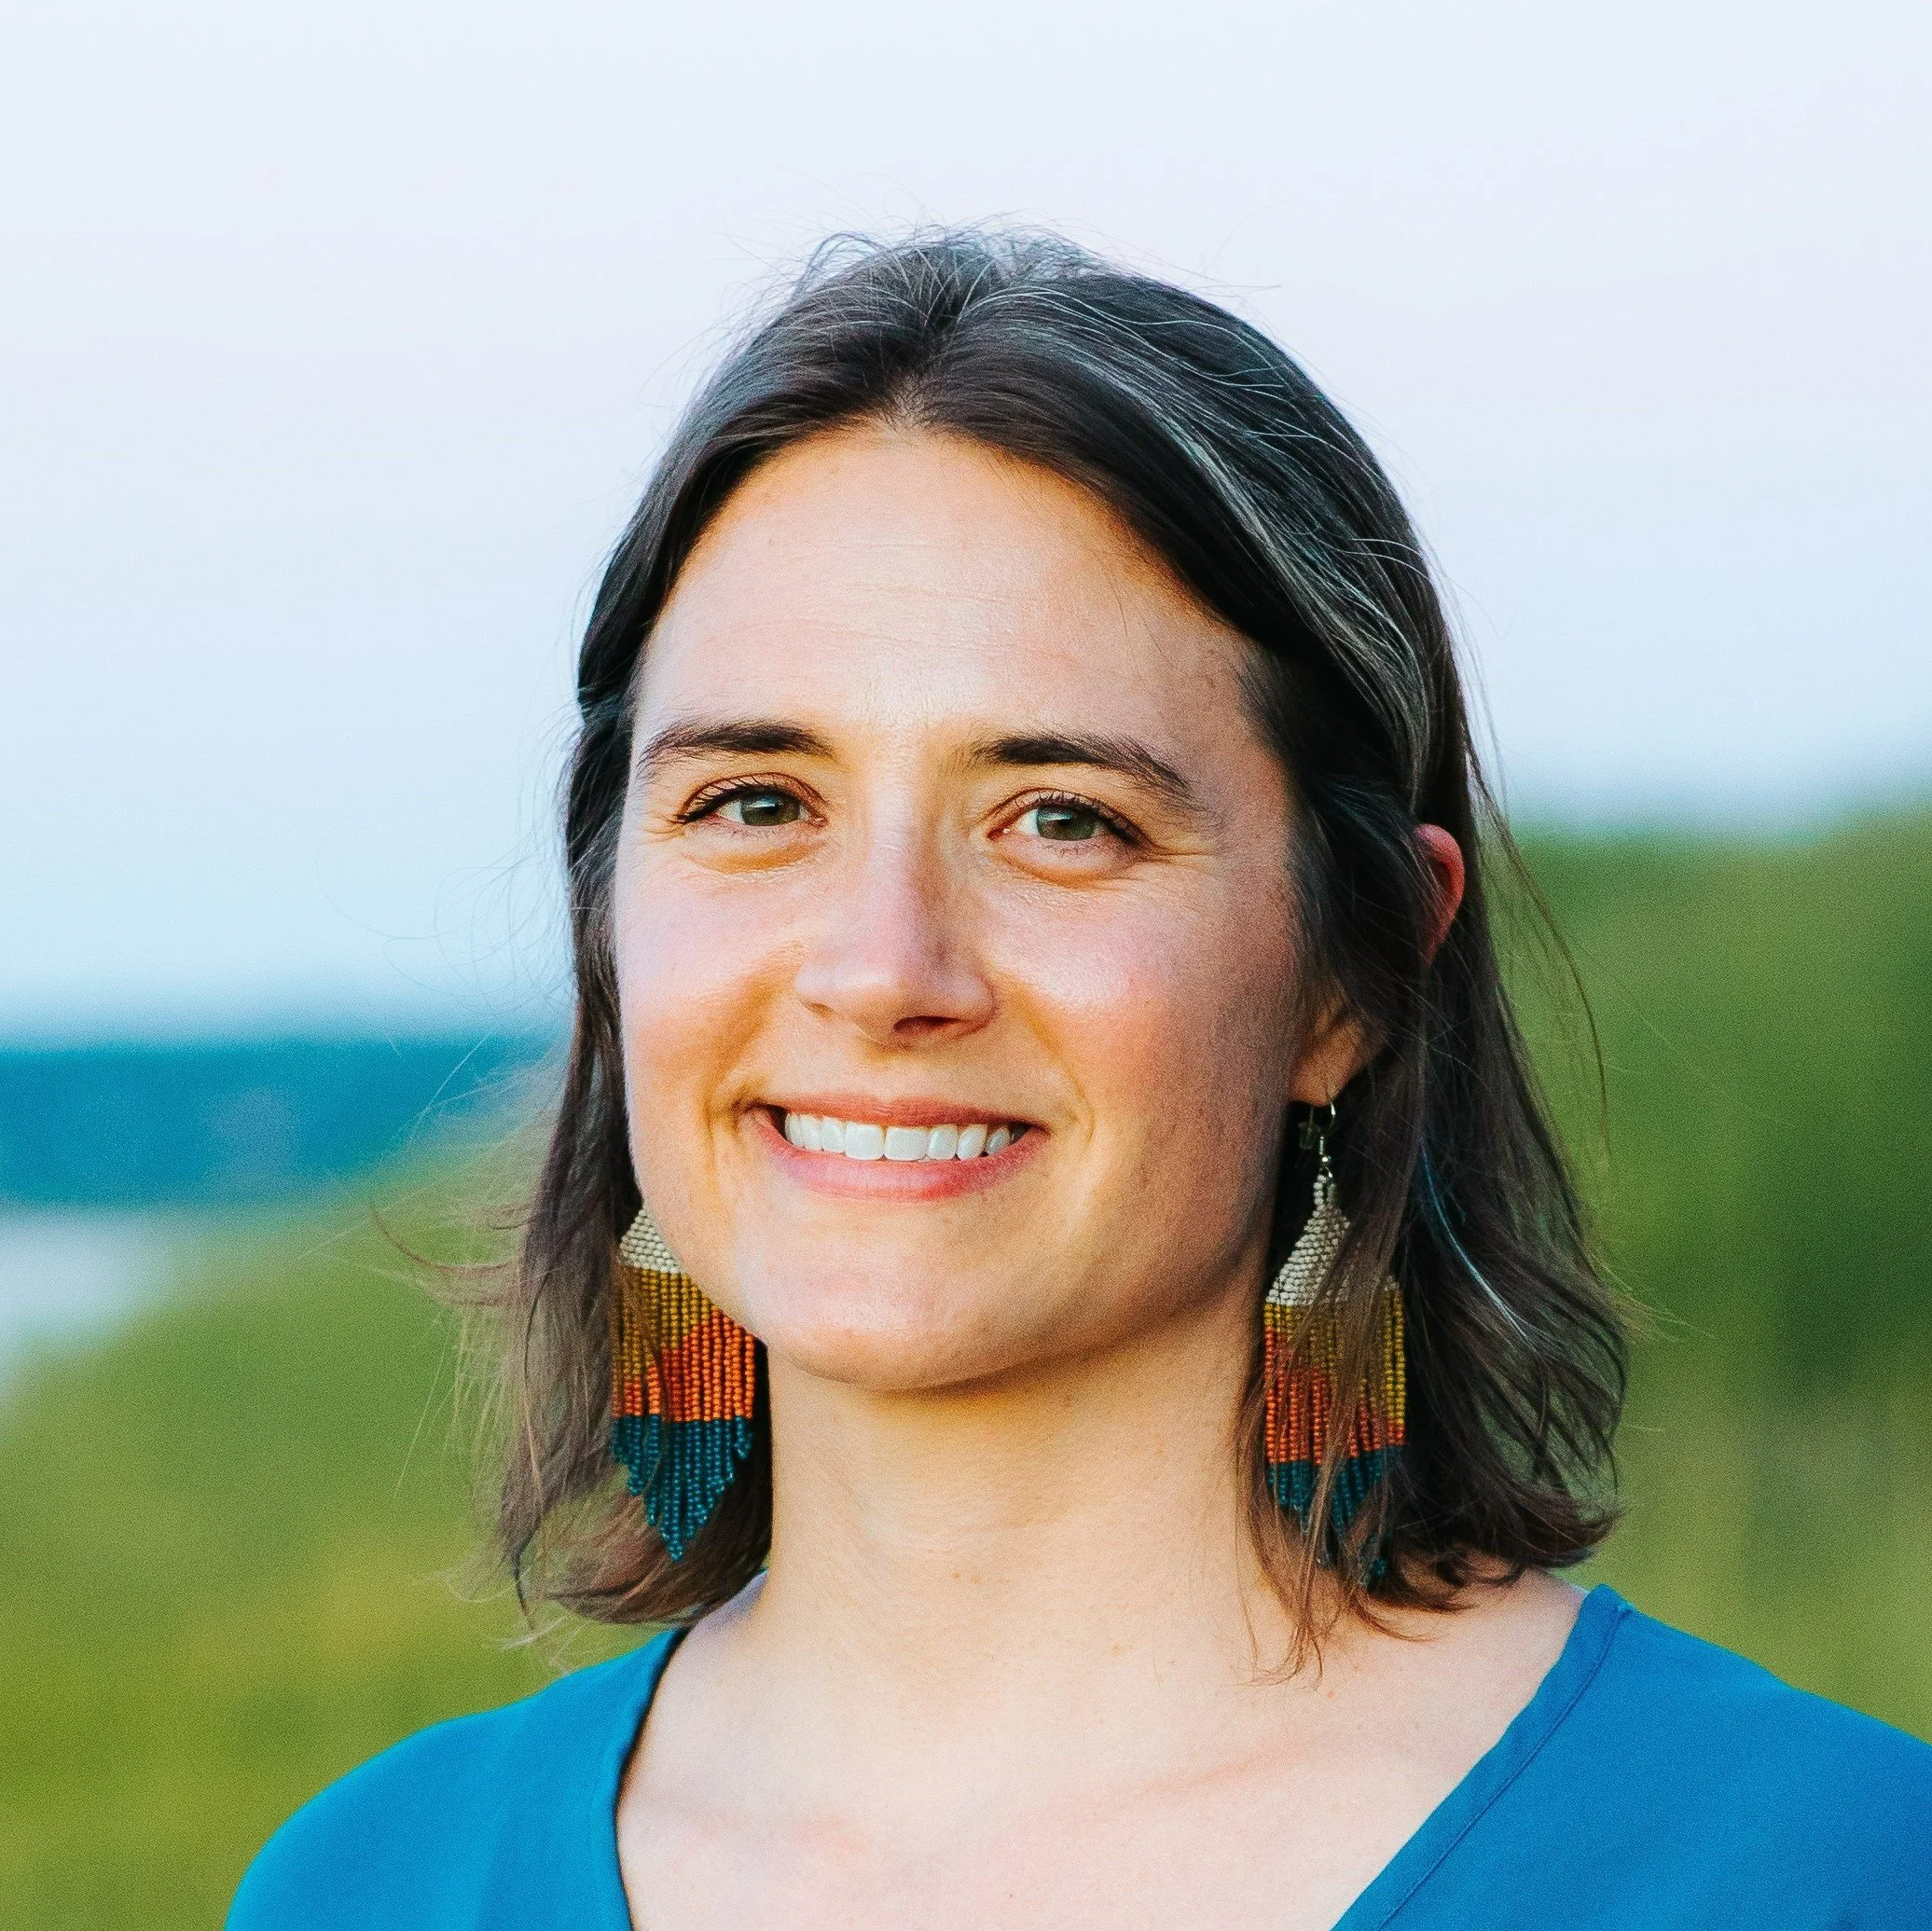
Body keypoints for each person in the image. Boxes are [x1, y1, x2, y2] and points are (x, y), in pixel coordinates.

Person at [228, 229, 1932, 1930]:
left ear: (1358, 972)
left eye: (1064, 821)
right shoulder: (365, 1884)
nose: (882, 967)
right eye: (757, 802)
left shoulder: (1812, 1865)